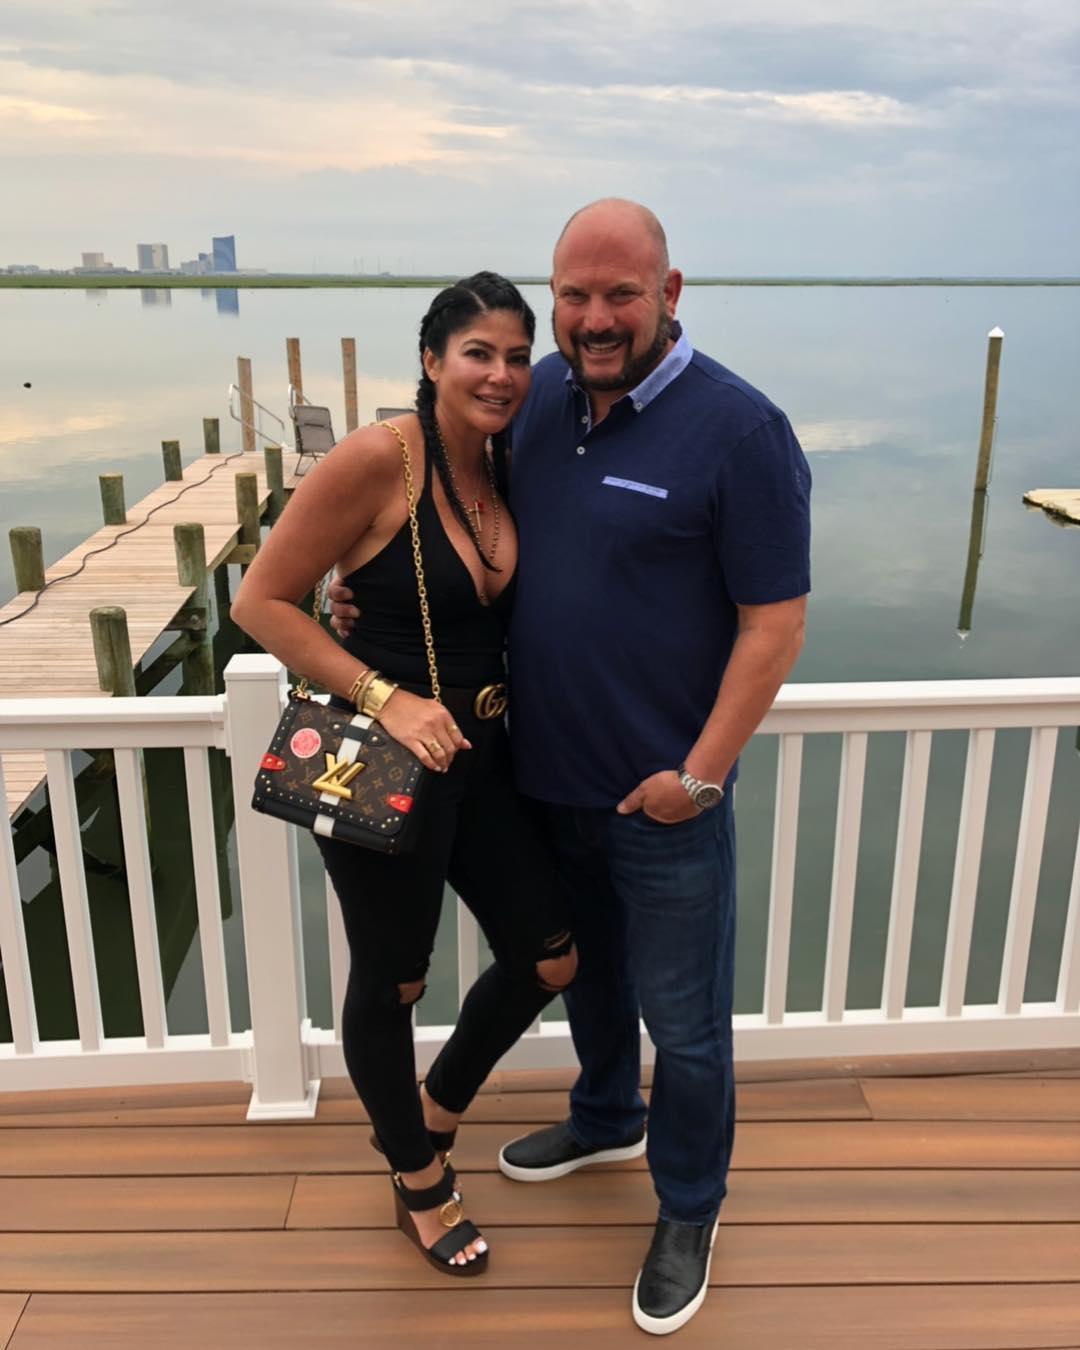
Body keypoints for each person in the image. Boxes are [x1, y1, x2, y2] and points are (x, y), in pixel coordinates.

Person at [331, 200, 811, 1335]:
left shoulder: (741, 430)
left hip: (664, 797)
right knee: (582, 973)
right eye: (575, 296)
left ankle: (689, 1207)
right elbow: (459, 524)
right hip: (542, 775)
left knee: (685, 1026)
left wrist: (700, 775)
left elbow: (775, 626)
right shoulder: (537, 399)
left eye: (621, 295)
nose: (596, 319)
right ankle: (604, 1116)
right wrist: (359, 595)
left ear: (669, 293)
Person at [231, 272, 577, 1278]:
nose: (501, 375)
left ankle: (434, 1110)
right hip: (385, 762)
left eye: (517, 358)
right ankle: (418, 1181)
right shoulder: (378, 458)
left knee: (551, 956)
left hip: (487, 758)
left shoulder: (505, 462)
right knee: (395, 982)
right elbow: (262, 601)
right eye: (478, 354)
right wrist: (385, 695)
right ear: (431, 361)